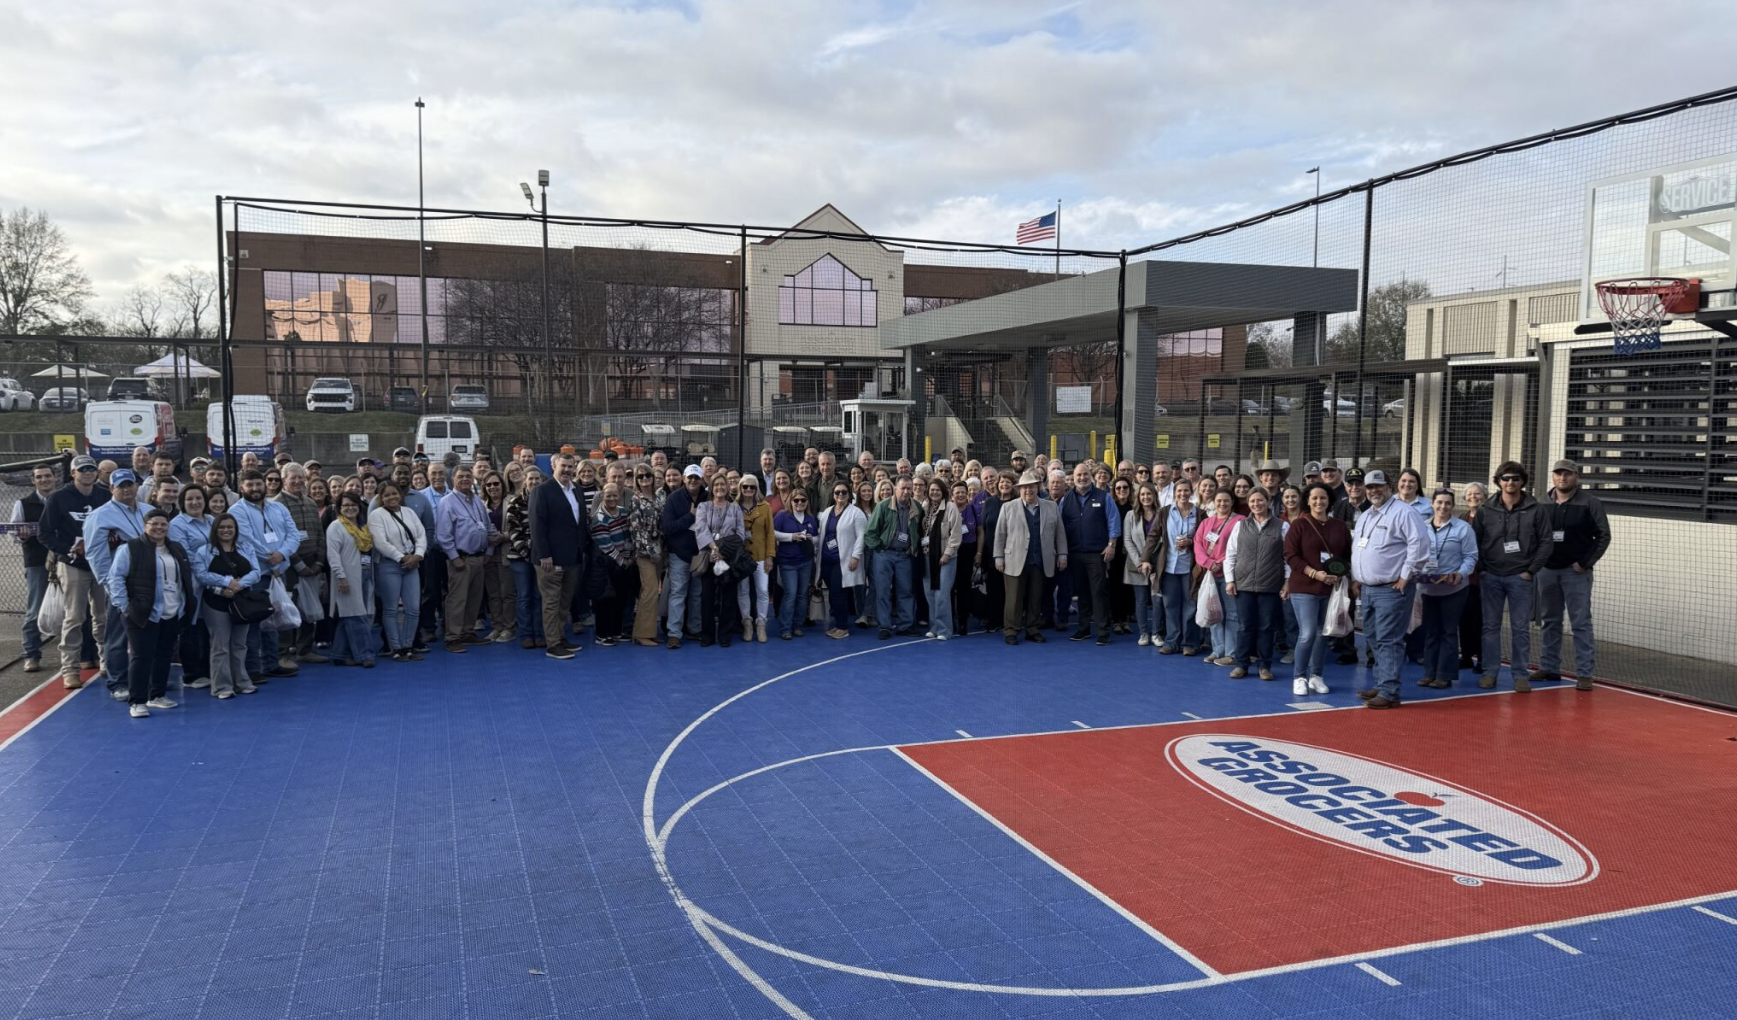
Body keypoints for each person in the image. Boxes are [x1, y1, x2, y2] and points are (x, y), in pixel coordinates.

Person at [1350, 470, 1431, 709]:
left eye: (1379, 486)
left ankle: (1390, 692)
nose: (1374, 491)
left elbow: (1420, 545)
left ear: (1389, 487)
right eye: (1370, 487)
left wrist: (1405, 576)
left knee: (1389, 639)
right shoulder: (1365, 515)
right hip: (1367, 588)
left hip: (1392, 588)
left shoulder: (1404, 512)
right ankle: (1381, 682)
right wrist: (1357, 577)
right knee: (1374, 637)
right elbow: (1360, 548)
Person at [1470, 461, 1552, 692]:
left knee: (1520, 628)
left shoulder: (1536, 509)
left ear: (1522, 481)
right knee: (1490, 627)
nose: (1510, 482)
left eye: (1515, 478)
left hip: (1520, 578)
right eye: (1505, 478)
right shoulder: (1486, 510)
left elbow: (1546, 542)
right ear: (1498, 481)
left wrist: (1530, 571)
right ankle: (1489, 673)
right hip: (1491, 577)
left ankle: (1520, 675)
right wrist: (1482, 569)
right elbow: (1474, 542)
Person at [106, 509, 197, 718]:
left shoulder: (176, 548)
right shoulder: (130, 548)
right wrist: (124, 606)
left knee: (164, 654)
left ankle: (157, 695)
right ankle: (137, 701)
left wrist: (185, 605)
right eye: (154, 524)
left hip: (172, 610)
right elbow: (116, 578)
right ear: (145, 526)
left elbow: (183, 578)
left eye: (163, 524)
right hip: (142, 612)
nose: (159, 528)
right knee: (141, 656)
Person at [1534, 460, 1610, 690]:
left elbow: (1603, 536)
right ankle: (1549, 667)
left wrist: (1585, 563)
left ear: (1576, 476)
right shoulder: (1542, 502)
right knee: (1550, 621)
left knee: (1580, 623)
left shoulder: (1590, 503)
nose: (1562, 478)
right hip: (1547, 571)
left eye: (1567, 474)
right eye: (1558, 474)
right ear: (1553, 476)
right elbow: (1534, 534)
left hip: (1575, 573)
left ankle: (1584, 674)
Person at [1283, 482, 1352, 696]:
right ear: (1308, 500)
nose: (1319, 502)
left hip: (1330, 589)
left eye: (1323, 498)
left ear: (1329, 500)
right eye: (1314, 498)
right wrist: (1315, 573)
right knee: (1308, 633)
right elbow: (1291, 556)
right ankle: (1299, 677)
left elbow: (1347, 557)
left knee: (1324, 633)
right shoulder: (1299, 525)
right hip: (1304, 587)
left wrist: (1339, 575)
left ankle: (1316, 676)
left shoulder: (1339, 526)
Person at [84, 468, 147, 700]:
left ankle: (145, 678)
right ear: (111, 488)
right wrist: (110, 585)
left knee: (147, 633)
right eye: (120, 485)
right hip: (121, 583)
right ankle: (118, 682)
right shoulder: (100, 516)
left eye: (129, 484)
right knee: (118, 635)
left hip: (149, 583)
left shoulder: (149, 511)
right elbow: (96, 554)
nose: (126, 489)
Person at [233, 470, 300, 681]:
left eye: (258, 484)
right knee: (254, 622)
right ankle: (253, 669)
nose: (255, 489)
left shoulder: (278, 507)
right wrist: (270, 560)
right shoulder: (237, 511)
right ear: (241, 487)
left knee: (274, 619)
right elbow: (246, 539)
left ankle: (272, 663)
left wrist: (282, 554)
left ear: (265, 485)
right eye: (249, 485)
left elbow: (293, 534)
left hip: (280, 572)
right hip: (257, 575)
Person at [530, 453, 594, 659]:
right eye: (563, 466)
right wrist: (544, 555)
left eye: (570, 466)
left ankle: (559, 636)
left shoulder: (576, 491)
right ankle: (553, 644)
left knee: (564, 601)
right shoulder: (542, 491)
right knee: (551, 602)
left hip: (572, 557)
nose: (567, 470)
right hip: (550, 559)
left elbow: (580, 523)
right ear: (554, 467)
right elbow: (537, 526)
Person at [994, 470, 1067, 645]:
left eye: (1032, 487)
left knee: (1036, 597)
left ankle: (1032, 629)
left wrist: (1062, 554)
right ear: (1020, 489)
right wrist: (998, 557)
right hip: (1014, 560)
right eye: (1025, 487)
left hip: (1040, 560)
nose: (1028, 490)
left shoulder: (1051, 507)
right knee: (1013, 599)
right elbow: (1000, 534)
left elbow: (1060, 533)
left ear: (1038, 487)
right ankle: (1011, 630)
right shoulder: (1008, 507)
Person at [1416, 488, 1479, 689]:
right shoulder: (1422, 527)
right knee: (1431, 631)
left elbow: (1471, 556)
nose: (1443, 506)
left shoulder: (1463, 529)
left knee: (1449, 631)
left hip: (1454, 589)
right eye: (1439, 502)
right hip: (1428, 589)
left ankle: (1445, 674)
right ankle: (1429, 673)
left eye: (1447, 503)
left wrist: (1460, 574)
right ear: (1432, 504)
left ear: (1453, 506)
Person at [195, 512, 261, 698]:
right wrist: (226, 582)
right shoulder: (204, 551)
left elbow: (256, 572)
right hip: (216, 603)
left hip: (242, 603)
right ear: (215, 530)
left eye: (230, 527)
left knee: (240, 644)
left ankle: (241, 681)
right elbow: (201, 575)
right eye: (222, 527)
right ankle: (222, 686)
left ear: (236, 529)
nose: (226, 530)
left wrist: (237, 586)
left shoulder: (246, 547)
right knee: (220, 646)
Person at [435, 466, 499, 653]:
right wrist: (455, 558)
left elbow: (487, 527)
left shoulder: (477, 501)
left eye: (468, 476)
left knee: (474, 599)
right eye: (460, 476)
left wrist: (488, 552)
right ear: (453, 479)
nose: (465, 479)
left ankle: (467, 632)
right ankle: (453, 637)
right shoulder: (447, 502)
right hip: (461, 560)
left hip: (478, 558)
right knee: (457, 600)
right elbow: (443, 535)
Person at [1224, 489, 1285, 680]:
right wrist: (1230, 580)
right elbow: (1230, 554)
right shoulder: (1240, 526)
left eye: (1260, 500)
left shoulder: (1282, 526)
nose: (1256, 504)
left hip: (1270, 585)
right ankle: (1241, 664)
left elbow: (1287, 558)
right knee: (1244, 626)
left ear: (1268, 502)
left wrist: (1288, 582)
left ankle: (1264, 666)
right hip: (1244, 584)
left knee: (1266, 627)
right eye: (1252, 501)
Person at [275, 463, 326, 665]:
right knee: (288, 608)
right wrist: (299, 565)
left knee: (310, 609)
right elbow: (282, 539)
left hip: (314, 564)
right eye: (292, 478)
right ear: (284, 480)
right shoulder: (277, 505)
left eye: (300, 478)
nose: (297, 481)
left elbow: (320, 534)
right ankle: (284, 654)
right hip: (290, 567)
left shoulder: (311, 503)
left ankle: (305, 649)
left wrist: (320, 560)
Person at [369, 482, 426, 662]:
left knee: (413, 609)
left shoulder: (409, 512)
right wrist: (401, 558)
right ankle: (396, 647)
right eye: (386, 495)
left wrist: (417, 555)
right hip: (389, 566)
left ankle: (408, 646)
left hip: (412, 564)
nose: (392, 497)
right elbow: (380, 542)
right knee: (391, 609)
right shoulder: (376, 515)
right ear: (380, 498)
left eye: (394, 493)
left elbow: (421, 535)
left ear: (400, 495)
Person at [12, 463, 59, 673]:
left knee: (74, 609)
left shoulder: (63, 500)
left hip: (66, 560)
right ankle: (31, 654)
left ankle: (77, 654)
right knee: (34, 610)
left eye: (47, 476)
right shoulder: (22, 504)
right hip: (37, 561)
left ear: (55, 478)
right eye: (39, 477)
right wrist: (21, 534)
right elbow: (13, 532)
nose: (44, 480)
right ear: (33, 481)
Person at [167, 485, 214, 689]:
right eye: (189, 499)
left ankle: (208, 669)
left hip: (214, 581)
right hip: (193, 583)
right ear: (182, 503)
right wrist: (211, 571)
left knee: (208, 627)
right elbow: (185, 555)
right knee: (191, 628)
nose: (195, 503)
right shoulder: (177, 524)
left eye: (198, 498)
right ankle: (192, 674)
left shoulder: (212, 520)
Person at [324, 492, 377, 668]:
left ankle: (339, 654)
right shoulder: (336, 527)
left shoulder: (363, 526)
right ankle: (365, 655)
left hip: (364, 573)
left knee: (348, 615)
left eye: (353, 504)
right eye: (345, 505)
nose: (350, 508)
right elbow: (333, 555)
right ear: (339, 508)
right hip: (346, 577)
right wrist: (341, 576)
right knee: (357, 616)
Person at [693, 475, 746, 647]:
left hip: (729, 559)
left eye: (723, 484)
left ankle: (725, 635)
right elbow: (700, 529)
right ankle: (707, 635)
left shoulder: (735, 508)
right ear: (711, 487)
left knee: (729, 598)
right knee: (707, 597)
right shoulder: (703, 506)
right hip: (709, 557)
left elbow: (740, 533)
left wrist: (724, 552)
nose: (720, 487)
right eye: (716, 484)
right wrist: (714, 549)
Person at [1194, 490, 1244, 667]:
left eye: (1226, 501)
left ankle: (1231, 653)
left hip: (1229, 575)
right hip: (1210, 575)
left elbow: (1238, 547)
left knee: (1232, 614)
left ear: (1232, 502)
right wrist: (1208, 563)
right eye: (1219, 501)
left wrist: (1220, 563)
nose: (1222, 504)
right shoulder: (1206, 522)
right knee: (1213, 613)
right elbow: (1198, 544)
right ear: (1214, 502)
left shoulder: (1240, 521)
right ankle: (1218, 649)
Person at [1152, 478, 1202, 655]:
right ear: (1174, 494)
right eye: (1179, 491)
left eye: (1186, 491)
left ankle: (1189, 643)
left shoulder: (1200, 514)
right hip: (1169, 567)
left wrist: (1190, 542)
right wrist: (1145, 559)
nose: (1183, 494)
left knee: (1190, 606)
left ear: (1191, 492)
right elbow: (1153, 536)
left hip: (1190, 568)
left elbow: (1205, 540)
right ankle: (1172, 642)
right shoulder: (1164, 512)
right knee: (1170, 606)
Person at [865, 478, 920, 639]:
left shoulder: (916, 507)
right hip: (885, 554)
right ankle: (884, 626)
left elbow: (919, 529)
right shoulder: (883, 506)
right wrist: (880, 549)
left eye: (909, 489)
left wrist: (913, 546)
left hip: (904, 556)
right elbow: (870, 533)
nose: (906, 492)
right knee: (882, 591)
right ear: (896, 488)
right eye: (903, 488)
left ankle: (906, 625)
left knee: (906, 590)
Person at [660, 466, 706, 648]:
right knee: (677, 593)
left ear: (701, 479)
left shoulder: (707, 497)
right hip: (679, 554)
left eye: (697, 478)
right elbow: (667, 528)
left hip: (701, 554)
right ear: (684, 478)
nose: (693, 481)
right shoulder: (674, 499)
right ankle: (674, 634)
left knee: (697, 593)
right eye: (690, 477)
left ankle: (694, 629)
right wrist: (690, 517)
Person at [815, 482, 867, 639]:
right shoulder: (828, 511)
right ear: (833, 495)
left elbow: (861, 537)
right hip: (826, 559)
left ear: (849, 495)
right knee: (832, 593)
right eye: (837, 492)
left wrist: (855, 556)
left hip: (843, 560)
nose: (840, 495)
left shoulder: (856, 513)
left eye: (844, 492)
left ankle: (842, 627)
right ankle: (838, 624)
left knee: (839, 593)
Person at [589, 482, 637, 646]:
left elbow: (629, 535)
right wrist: (623, 561)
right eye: (608, 495)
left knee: (620, 599)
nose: (611, 498)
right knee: (605, 600)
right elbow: (606, 545)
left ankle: (616, 631)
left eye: (615, 495)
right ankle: (602, 634)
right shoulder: (599, 518)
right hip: (606, 565)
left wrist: (629, 557)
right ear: (602, 496)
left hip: (624, 564)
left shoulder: (623, 512)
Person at [917, 478, 962, 640]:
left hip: (945, 559)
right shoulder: (925, 507)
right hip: (927, 556)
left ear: (943, 491)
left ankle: (944, 630)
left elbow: (956, 536)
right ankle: (934, 627)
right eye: (931, 490)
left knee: (942, 593)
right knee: (930, 593)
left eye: (937, 490)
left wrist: (947, 554)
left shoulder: (951, 508)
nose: (934, 492)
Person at [772, 487, 819, 639]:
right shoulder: (782, 516)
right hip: (788, 562)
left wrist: (811, 538)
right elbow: (772, 533)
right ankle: (785, 627)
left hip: (806, 561)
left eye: (803, 500)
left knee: (802, 594)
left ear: (807, 502)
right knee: (791, 594)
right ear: (790, 502)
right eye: (796, 500)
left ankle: (798, 625)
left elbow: (818, 537)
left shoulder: (811, 518)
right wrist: (791, 537)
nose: (799, 503)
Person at [626, 465, 663, 648]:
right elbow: (636, 530)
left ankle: (649, 631)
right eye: (640, 476)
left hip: (659, 551)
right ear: (636, 480)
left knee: (652, 592)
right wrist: (650, 551)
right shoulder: (636, 501)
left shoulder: (658, 498)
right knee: (649, 591)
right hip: (645, 554)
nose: (645, 478)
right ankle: (641, 633)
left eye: (648, 475)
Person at [975, 472, 1015, 635]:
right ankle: (994, 620)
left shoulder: (1017, 503)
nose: (1004, 485)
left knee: (1010, 590)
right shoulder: (990, 502)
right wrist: (980, 553)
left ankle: (1009, 621)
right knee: (993, 589)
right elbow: (982, 529)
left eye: (1008, 482)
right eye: (1001, 482)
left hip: (1012, 553)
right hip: (991, 552)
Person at [735, 476, 774, 643]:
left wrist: (770, 556)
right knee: (743, 590)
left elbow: (770, 533)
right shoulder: (734, 507)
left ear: (757, 488)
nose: (749, 490)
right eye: (745, 487)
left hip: (760, 555)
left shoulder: (765, 507)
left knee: (763, 590)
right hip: (742, 557)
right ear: (740, 488)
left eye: (752, 487)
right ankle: (747, 623)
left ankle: (761, 623)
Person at [1125, 481, 1163, 647]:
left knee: (1157, 600)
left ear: (1154, 496)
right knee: (1140, 600)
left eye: (1149, 494)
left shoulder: (1163, 514)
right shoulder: (1130, 516)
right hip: (1138, 563)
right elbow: (1127, 540)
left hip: (1158, 563)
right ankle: (1143, 633)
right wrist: (1140, 562)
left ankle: (1156, 633)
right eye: (1142, 495)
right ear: (1138, 497)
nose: (1146, 497)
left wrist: (1156, 560)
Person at [479, 472, 517, 643]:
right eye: (489, 485)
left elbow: (519, 527)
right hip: (488, 556)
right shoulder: (480, 505)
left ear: (502, 484)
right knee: (493, 594)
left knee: (507, 593)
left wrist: (504, 536)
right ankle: (497, 626)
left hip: (506, 553)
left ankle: (509, 627)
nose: (493, 487)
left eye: (496, 484)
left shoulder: (512, 501)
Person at [1457, 482, 1487, 673]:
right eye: (1469, 494)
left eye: (1477, 494)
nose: (1473, 497)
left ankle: (1483, 659)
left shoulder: (1489, 517)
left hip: (1482, 575)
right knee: (1464, 617)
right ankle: (1466, 656)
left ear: (1484, 496)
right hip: (1465, 576)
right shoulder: (1462, 518)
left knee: (1481, 619)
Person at [948, 481, 980, 637]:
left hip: (968, 551)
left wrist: (978, 553)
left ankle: (962, 622)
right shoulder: (947, 509)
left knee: (963, 588)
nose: (960, 495)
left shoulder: (972, 509)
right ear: (952, 494)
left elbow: (980, 532)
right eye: (957, 492)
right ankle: (949, 620)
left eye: (963, 492)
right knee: (948, 587)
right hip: (950, 551)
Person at [1107, 476, 1135, 635]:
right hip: (1114, 552)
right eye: (1118, 488)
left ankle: (1125, 620)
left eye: (1125, 487)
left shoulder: (1134, 508)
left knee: (1128, 587)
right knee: (1114, 586)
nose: (1122, 491)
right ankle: (1116, 620)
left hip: (1130, 553)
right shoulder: (1111, 507)